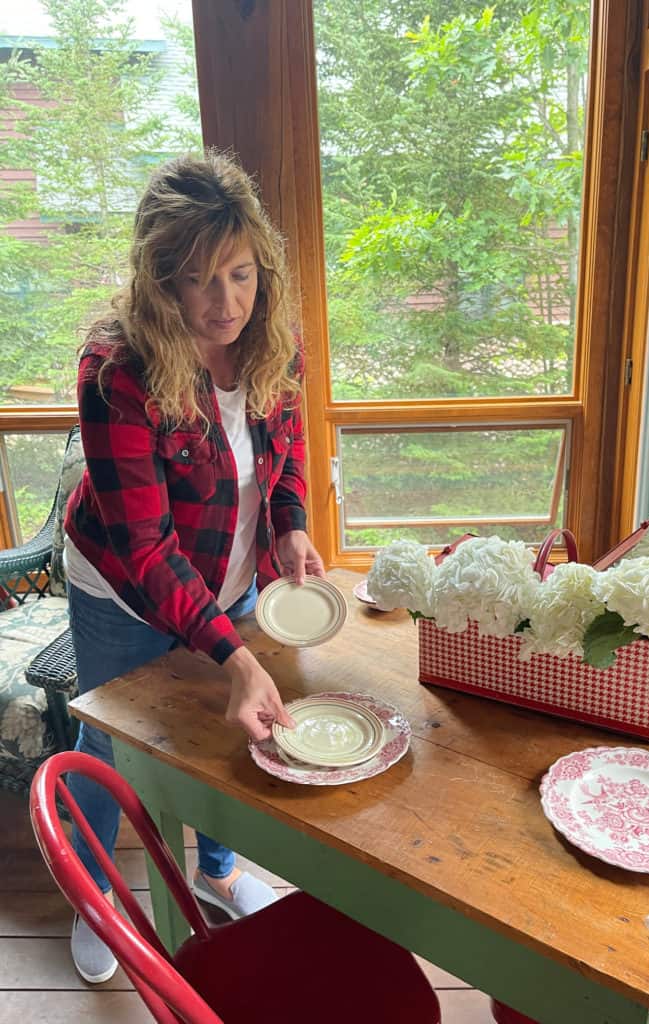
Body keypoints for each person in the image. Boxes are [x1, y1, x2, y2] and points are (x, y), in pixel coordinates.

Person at [62, 150, 324, 983]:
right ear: (159, 281)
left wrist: (288, 526)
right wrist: (238, 656)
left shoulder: (275, 344)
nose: (227, 304)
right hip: (122, 594)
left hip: (231, 574)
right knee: (113, 745)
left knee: (224, 734)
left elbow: (285, 455)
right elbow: (144, 547)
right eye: (199, 280)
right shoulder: (118, 370)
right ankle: (98, 894)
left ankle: (217, 870)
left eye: (242, 275)